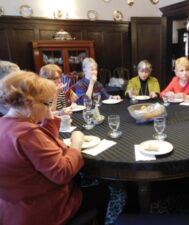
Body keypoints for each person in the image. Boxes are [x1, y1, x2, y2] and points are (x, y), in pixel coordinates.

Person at [0, 71, 109, 225]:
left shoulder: (6, 124)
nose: (49, 108)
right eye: (46, 103)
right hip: (44, 210)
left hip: (12, 210)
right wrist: (76, 143)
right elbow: (62, 173)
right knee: (105, 190)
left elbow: (42, 149)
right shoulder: (28, 133)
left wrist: (49, 116)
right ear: (28, 104)